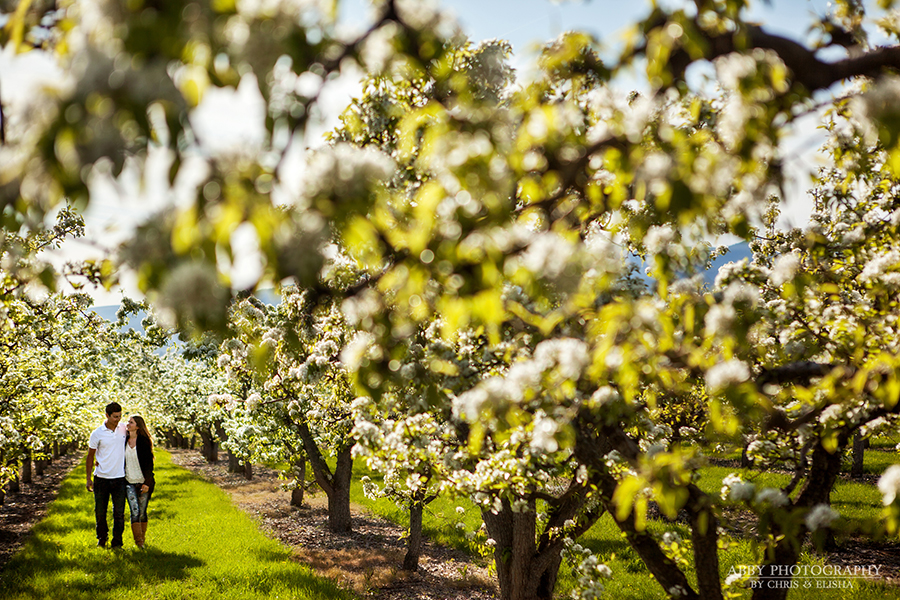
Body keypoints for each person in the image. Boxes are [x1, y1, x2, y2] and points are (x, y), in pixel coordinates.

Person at [86, 402, 127, 549]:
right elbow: (90, 457)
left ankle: (117, 543)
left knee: (119, 513)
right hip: (101, 479)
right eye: (115, 417)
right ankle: (102, 539)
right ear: (107, 416)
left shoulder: (124, 429)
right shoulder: (97, 433)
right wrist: (88, 478)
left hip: (120, 478)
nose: (118, 419)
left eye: (120, 416)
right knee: (100, 512)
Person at [124, 415, 155, 548]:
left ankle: (142, 537)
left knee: (142, 512)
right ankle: (139, 542)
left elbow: (149, 464)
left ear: (137, 426)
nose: (128, 424)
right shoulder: (123, 440)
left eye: (131, 422)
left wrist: (147, 483)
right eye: (128, 422)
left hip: (143, 481)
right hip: (128, 481)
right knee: (134, 511)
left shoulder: (143, 441)